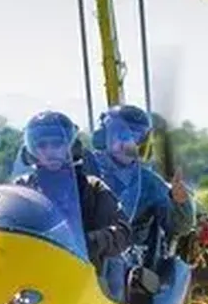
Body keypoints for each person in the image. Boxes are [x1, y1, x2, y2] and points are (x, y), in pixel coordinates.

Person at [14, 110, 132, 274]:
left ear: (72, 147)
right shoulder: (21, 189)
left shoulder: (92, 187)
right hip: (31, 275)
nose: (50, 151)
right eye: (42, 145)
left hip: (83, 277)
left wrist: (89, 241)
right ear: (31, 151)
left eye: (57, 144)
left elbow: (123, 233)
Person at [86, 104, 195, 268]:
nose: (127, 144)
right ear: (103, 136)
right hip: (82, 252)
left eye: (135, 137)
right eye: (121, 135)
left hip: (124, 266)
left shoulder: (150, 183)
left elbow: (179, 227)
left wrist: (180, 201)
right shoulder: (82, 169)